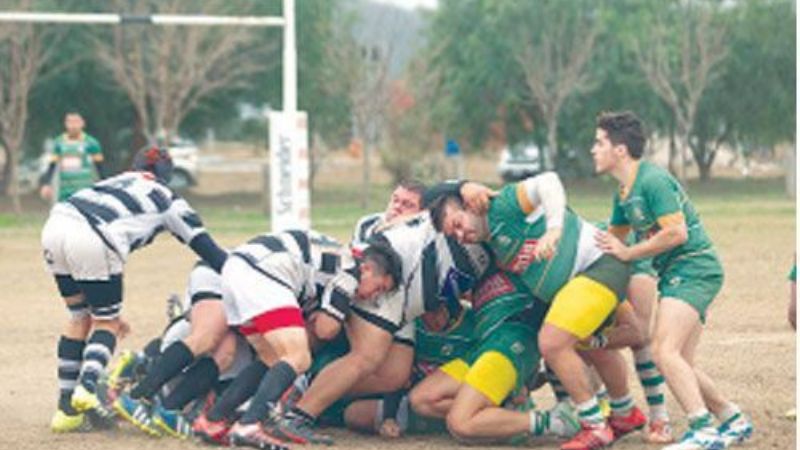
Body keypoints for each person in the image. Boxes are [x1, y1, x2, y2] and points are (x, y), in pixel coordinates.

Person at [427, 173, 645, 450]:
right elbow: (428, 199)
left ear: (470, 205)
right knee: (584, 344)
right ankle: (625, 412)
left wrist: (554, 229)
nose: (461, 236)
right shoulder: (490, 240)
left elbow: (549, 181)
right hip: (579, 283)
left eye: (458, 224)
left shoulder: (502, 206)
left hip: (598, 266)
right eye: (454, 235)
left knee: (553, 342)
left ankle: (595, 426)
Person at [591, 110, 753, 449]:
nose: (593, 149)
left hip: (694, 267)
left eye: (599, 142)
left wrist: (629, 253)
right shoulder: (623, 193)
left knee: (664, 350)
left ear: (620, 150)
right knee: (680, 361)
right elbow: (610, 241)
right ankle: (731, 418)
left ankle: (703, 431)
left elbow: (676, 233)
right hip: (677, 273)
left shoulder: (652, 180)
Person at [42, 146, 227, 433]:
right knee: (108, 322)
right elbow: (210, 252)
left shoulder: (110, 182)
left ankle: (66, 411)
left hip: (56, 224)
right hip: (94, 236)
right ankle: (87, 387)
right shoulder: (167, 198)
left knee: (79, 317)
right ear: (167, 175)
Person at [270, 211, 494, 445]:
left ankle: (307, 391)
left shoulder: (490, 258)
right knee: (365, 355)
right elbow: (442, 196)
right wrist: (464, 187)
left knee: (393, 376)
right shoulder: (475, 209)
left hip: (405, 309)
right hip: (388, 283)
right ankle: (298, 412)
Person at [201, 230, 403, 449]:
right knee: (298, 357)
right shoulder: (351, 273)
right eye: (379, 287)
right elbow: (326, 330)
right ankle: (250, 424)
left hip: (239, 268)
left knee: (272, 358)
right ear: (367, 269)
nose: (373, 297)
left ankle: (213, 420)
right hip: (264, 274)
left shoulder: (339, 256)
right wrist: (341, 317)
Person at [113, 260, 254, 439]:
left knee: (225, 351)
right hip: (224, 275)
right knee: (206, 338)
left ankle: (168, 408)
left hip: (225, 284)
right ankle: (137, 395)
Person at [40, 112, 105, 202]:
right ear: (65, 124)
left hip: (84, 190)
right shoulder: (59, 142)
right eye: (70, 122)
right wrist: (46, 184)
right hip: (65, 191)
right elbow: (52, 166)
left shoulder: (91, 143)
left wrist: (103, 186)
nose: (73, 125)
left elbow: (100, 168)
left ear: (82, 123)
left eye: (76, 122)